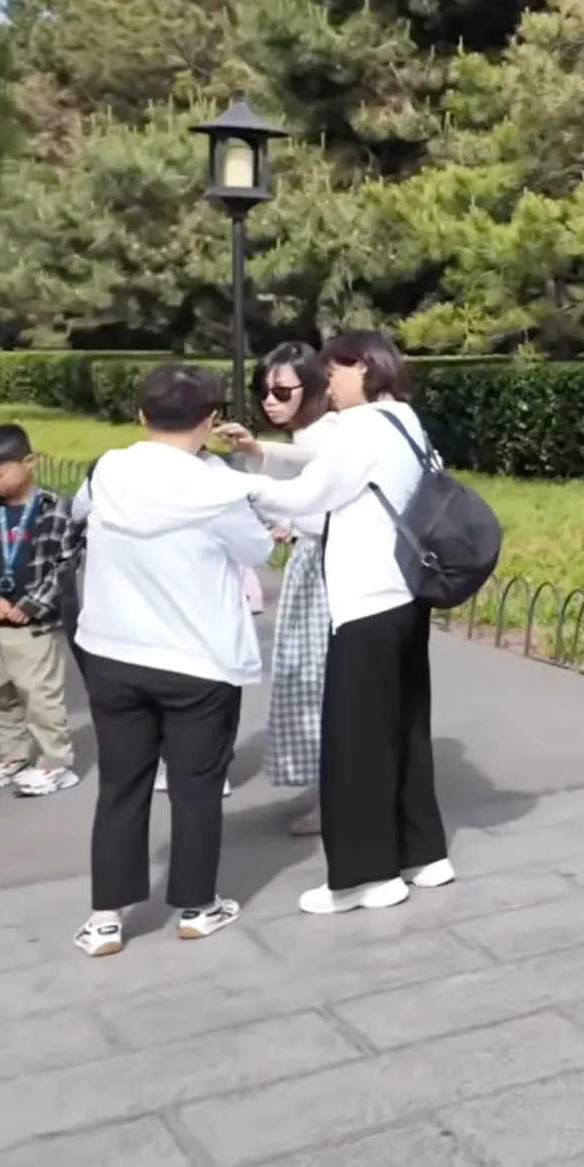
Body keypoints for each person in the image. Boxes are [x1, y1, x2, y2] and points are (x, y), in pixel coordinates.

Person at [245, 331, 453, 915]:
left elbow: (308, 495)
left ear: (363, 368)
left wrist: (228, 483)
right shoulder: (403, 419)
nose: (325, 385)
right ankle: (424, 854)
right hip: (406, 593)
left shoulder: (359, 428)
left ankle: (366, 876)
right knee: (405, 727)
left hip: (365, 599)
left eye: (331, 373)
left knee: (355, 741)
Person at [69, 364, 273, 955]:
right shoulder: (215, 487)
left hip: (112, 651)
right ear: (210, 421)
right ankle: (195, 906)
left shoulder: (109, 468)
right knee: (195, 785)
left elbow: (81, 512)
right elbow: (257, 547)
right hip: (196, 662)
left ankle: (105, 918)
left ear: (140, 416)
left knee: (121, 785)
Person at [217, 343, 337, 836]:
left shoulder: (328, 431)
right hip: (312, 563)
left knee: (324, 682)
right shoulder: (300, 436)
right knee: (311, 679)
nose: (270, 399)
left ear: (313, 389)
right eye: (264, 390)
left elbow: (311, 457)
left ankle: (339, 799)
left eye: (282, 390)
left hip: (331, 567)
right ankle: (332, 792)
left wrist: (257, 450)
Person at [0, 423, 81, 797]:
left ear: (29, 463)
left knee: (39, 695)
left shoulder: (54, 512)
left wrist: (30, 604)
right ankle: (8, 755)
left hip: (35, 626)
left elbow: (65, 564)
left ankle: (54, 763)